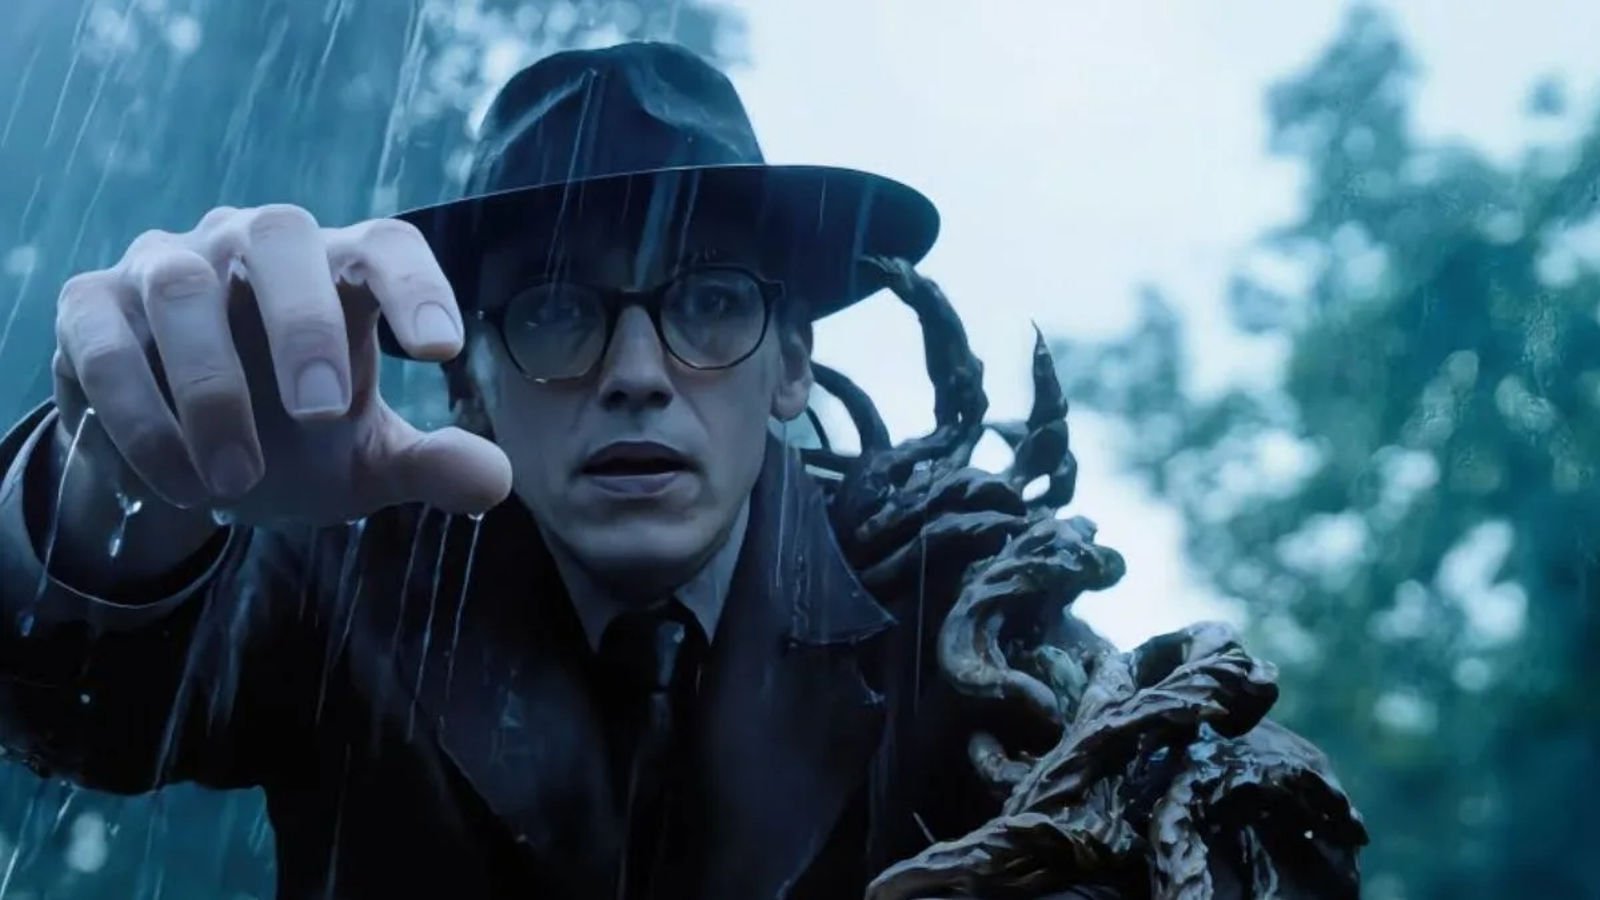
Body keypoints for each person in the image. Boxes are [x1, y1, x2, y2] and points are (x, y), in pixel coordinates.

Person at [0, 40, 1067, 899]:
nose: (637, 375)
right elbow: (86, 706)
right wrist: (127, 484)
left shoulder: (959, 623)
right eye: (556, 310)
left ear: (791, 360)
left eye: (710, 301)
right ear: (466, 380)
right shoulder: (353, 582)